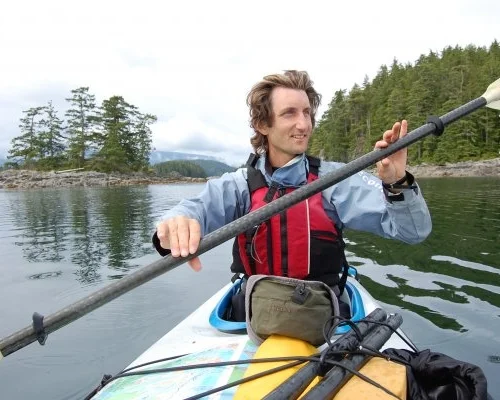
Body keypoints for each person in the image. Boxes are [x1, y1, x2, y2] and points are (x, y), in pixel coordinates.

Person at [152, 70, 431, 311]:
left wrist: (398, 183)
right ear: (263, 124)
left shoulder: (336, 180)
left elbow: (413, 232)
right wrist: (175, 225)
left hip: (324, 314)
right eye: (290, 113)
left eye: (307, 113)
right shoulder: (239, 185)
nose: (304, 124)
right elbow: (194, 209)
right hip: (254, 311)